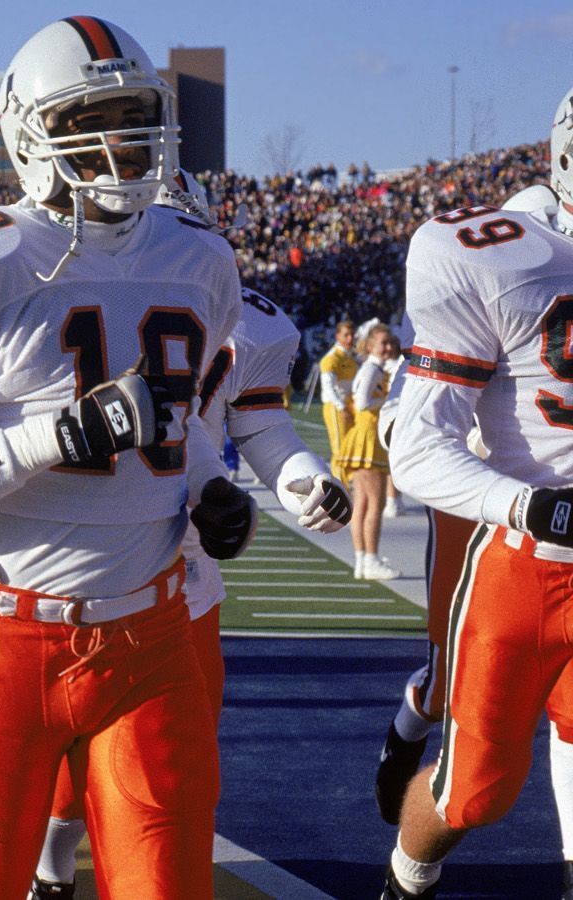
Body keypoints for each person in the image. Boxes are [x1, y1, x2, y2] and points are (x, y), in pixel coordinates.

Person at [0, 17, 248, 897]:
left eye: (136, 113)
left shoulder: (200, 258)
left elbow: (170, 427)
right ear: (31, 133)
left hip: (152, 637)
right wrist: (59, 436)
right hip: (8, 637)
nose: (124, 142)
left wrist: (211, 484)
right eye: (90, 120)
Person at [30, 172, 352, 897]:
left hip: (187, 562)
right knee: (60, 752)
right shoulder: (47, 285)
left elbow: (261, 423)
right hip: (67, 546)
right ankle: (51, 868)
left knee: (175, 765)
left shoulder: (250, 321)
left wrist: (305, 479)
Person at [378, 87, 573, 900]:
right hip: (524, 556)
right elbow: (416, 443)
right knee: (476, 790)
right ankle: (405, 878)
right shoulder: (500, 256)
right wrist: (525, 503)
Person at [336, 323, 401, 580]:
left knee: (362, 503)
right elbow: (363, 402)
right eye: (382, 343)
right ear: (370, 345)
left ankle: (362, 560)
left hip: (364, 434)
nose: (387, 347)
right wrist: (389, 401)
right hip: (369, 435)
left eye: (389, 343)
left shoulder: (373, 367)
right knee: (376, 502)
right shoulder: (372, 368)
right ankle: (371, 559)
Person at [318, 318, 358, 479]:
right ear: (337, 336)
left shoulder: (350, 357)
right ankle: (340, 485)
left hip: (350, 406)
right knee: (340, 448)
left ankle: (347, 481)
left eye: (352, 335)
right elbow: (328, 387)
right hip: (336, 407)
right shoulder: (331, 358)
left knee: (350, 446)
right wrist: (341, 407)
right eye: (346, 335)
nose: (350, 339)